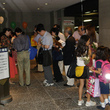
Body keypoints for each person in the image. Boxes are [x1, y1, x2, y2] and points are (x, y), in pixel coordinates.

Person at [76, 35, 96, 106]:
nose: (89, 42)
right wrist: (90, 49)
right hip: (86, 68)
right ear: (85, 41)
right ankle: (88, 101)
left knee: (81, 85)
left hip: (79, 68)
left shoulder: (78, 48)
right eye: (88, 41)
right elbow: (89, 59)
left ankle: (80, 100)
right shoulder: (87, 48)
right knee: (88, 85)